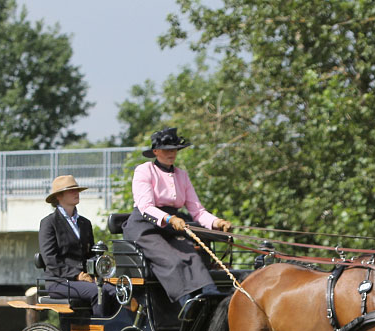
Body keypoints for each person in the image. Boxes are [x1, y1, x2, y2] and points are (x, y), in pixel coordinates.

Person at [122, 127, 232, 318]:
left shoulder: (182, 175)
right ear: (155, 151)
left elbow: (197, 210)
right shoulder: (144, 170)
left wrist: (216, 222)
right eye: (166, 149)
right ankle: (186, 302)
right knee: (170, 259)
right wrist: (169, 218)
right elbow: (145, 206)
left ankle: (209, 294)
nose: (171, 153)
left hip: (172, 226)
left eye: (174, 150)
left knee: (191, 254)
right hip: (144, 226)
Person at [39, 175, 117, 316]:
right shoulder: (49, 223)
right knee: (98, 292)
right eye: (71, 190)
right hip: (59, 282)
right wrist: (77, 275)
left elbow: (90, 255)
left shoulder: (85, 223)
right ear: (59, 196)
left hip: (85, 279)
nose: (76, 193)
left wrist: (99, 273)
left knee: (118, 291)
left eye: (77, 190)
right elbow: (51, 259)